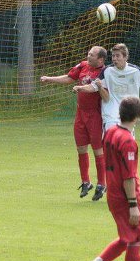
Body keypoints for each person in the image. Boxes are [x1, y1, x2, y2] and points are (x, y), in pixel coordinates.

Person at [80, 96, 140, 261]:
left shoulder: (111, 132)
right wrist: (133, 204)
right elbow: (129, 177)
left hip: (113, 193)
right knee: (136, 238)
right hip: (125, 196)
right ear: (138, 116)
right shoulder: (128, 141)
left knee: (127, 238)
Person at [41, 46, 108, 200]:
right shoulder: (83, 65)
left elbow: (92, 88)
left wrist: (80, 88)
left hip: (96, 115)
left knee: (98, 150)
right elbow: (69, 78)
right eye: (88, 53)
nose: (88, 55)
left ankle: (101, 184)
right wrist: (49, 79)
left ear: (100, 59)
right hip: (80, 114)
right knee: (81, 148)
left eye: (92, 54)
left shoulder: (105, 72)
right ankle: (86, 181)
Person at [73, 43, 140, 130]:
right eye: (113, 56)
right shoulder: (107, 71)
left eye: (118, 56)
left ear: (125, 57)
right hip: (111, 115)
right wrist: (80, 88)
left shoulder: (135, 71)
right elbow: (94, 86)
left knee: (126, 148)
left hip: (129, 114)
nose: (114, 59)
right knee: (111, 146)